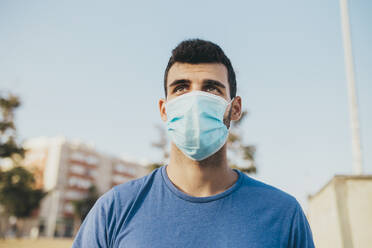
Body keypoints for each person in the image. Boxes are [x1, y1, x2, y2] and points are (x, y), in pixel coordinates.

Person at [72, 39, 315, 247]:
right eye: (181, 88)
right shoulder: (114, 209)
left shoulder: (283, 214)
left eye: (211, 88)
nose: (194, 99)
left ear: (235, 108)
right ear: (164, 109)